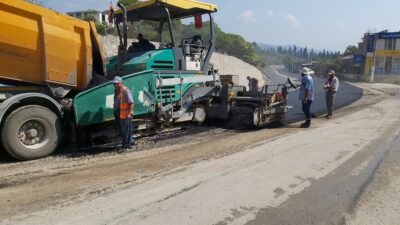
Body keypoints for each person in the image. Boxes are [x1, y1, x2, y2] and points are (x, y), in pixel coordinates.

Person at [113, 76, 134, 149]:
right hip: (118, 113)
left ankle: (127, 145)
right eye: (114, 84)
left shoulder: (126, 90)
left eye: (117, 83)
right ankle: (129, 141)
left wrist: (129, 114)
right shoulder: (116, 91)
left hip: (125, 113)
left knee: (126, 130)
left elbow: (131, 103)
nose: (115, 85)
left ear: (121, 83)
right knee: (122, 130)